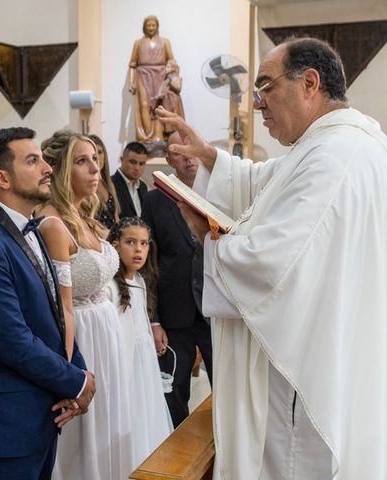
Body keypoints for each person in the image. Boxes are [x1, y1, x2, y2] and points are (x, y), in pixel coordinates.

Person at [156, 37, 387, 478]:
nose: (258, 103)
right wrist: (209, 158)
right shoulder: (334, 144)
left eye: (265, 87)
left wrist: (211, 237)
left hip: (303, 380)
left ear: (310, 83)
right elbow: (267, 183)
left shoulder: (335, 157)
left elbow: (274, 265)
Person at [0, 127, 95, 480]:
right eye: (33, 160)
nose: (47, 168)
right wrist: (76, 381)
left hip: (40, 409)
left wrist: (78, 370)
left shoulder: (32, 229)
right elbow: (12, 341)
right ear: (1, 177)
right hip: (7, 420)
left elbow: (57, 314)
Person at [38, 133, 133, 480]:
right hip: (81, 337)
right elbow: (59, 306)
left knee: (109, 426)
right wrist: (67, 375)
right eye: (82, 161)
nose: (95, 168)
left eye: (95, 158)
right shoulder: (53, 223)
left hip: (105, 333)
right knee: (84, 440)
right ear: (60, 170)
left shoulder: (84, 217)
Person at [141, 131, 212, 427]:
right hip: (174, 313)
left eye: (192, 149)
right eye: (180, 152)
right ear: (169, 159)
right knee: (174, 391)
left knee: (229, 387)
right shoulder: (155, 200)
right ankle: (176, 458)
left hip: (215, 309)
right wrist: (154, 319)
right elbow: (149, 261)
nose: (189, 157)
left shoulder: (218, 191)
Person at [106, 216, 172, 466]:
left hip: (145, 363)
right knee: (131, 417)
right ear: (115, 245)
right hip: (126, 364)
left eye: (144, 244)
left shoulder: (141, 281)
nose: (138, 250)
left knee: (147, 414)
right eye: (130, 242)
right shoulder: (110, 287)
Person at [129, 15, 184, 146]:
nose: (151, 28)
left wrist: (170, 67)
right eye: (148, 25)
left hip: (161, 75)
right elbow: (132, 64)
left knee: (160, 107)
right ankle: (147, 138)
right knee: (144, 105)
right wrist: (131, 81)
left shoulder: (165, 42)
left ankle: (159, 137)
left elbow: (171, 59)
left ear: (157, 26)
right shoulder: (138, 43)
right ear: (144, 27)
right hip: (143, 75)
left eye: (153, 25)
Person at [89, 134, 119, 229]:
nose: (97, 157)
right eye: (93, 154)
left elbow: (116, 218)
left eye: (100, 152)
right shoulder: (86, 185)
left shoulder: (109, 183)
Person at [112, 141, 148, 218]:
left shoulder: (143, 186)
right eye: (133, 162)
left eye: (141, 164)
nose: (137, 168)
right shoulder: (110, 184)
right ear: (122, 160)